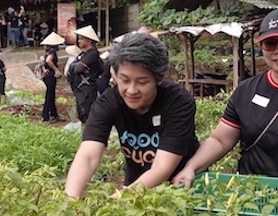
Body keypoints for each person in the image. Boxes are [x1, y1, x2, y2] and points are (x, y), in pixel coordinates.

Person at [172, 9, 278, 186]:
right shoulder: (246, 90)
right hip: (251, 194)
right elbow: (220, 140)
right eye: (270, 44)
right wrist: (190, 167)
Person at [65, 32, 199, 198]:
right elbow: (88, 155)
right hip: (135, 189)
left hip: (179, 190)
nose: (132, 90)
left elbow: (161, 168)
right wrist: (70, 201)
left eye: (142, 82)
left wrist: (114, 203)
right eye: (125, 80)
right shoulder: (109, 102)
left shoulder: (178, 102)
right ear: (115, 74)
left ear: (159, 79)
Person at [68, 25, 102, 123]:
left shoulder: (92, 54)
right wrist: (77, 66)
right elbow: (72, 67)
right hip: (80, 89)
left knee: (87, 115)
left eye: (82, 39)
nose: (79, 41)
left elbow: (77, 69)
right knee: (81, 114)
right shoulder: (83, 54)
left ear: (89, 41)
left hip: (87, 90)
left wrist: (77, 66)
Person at [40, 32, 65, 122]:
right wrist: (56, 70)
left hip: (47, 75)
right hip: (50, 75)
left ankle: (54, 114)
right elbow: (48, 61)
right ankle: (45, 116)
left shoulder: (47, 52)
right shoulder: (52, 52)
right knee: (49, 96)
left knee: (51, 95)